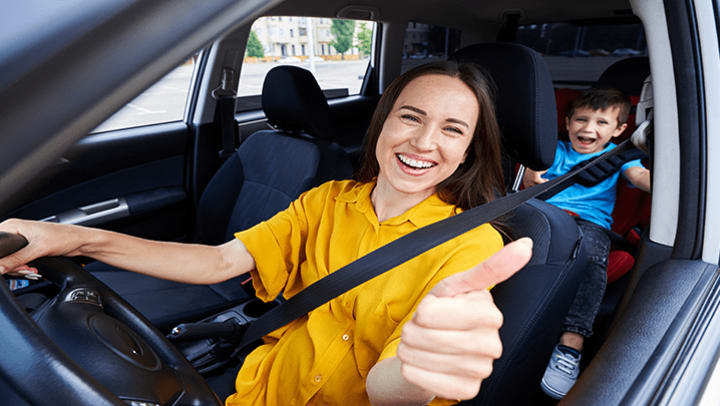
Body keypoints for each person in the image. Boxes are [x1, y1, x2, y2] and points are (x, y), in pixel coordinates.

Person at [0, 61, 533, 406]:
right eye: (409, 117)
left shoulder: (472, 245)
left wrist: (419, 371)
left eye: (452, 129)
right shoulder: (326, 201)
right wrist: (73, 239)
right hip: (258, 389)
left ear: (468, 151)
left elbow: (384, 390)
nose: (422, 142)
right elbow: (216, 264)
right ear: (383, 123)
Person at [523, 88, 650, 399]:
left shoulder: (620, 157)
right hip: (544, 216)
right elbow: (530, 181)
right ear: (567, 123)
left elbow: (639, 177)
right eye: (581, 119)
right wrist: (531, 176)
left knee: (592, 260)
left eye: (601, 123)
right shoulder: (554, 151)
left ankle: (571, 345)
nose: (588, 129)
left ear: (620, 130)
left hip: (588, 225)